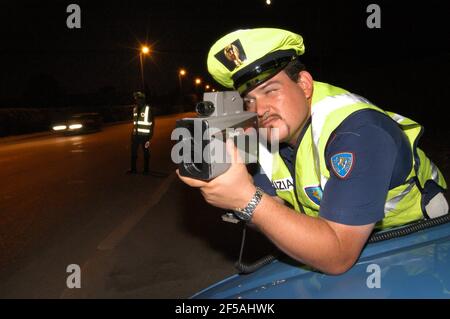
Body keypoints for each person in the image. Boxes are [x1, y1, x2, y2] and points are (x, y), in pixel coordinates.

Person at [177, 28, 449, 275]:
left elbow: (338, 256)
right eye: (250, 100)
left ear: (304, 85)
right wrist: (234, 185)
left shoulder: (358, 132)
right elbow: (274, 212)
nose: (259, 111)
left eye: (271, 91)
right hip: (347, 243)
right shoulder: (265, 136)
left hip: (424, 243)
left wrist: (245, 200)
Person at [127, 91, 154, 175]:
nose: (137, 101)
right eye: (136, 99)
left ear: (142, 99)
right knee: (133, 151)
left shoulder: (148, 108)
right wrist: (133, 133)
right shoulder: (134, 109)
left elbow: (152, 122)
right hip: (136, 136)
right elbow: (135, 123)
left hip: (145, 136)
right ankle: (133, 169)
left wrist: (151, 134)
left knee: (146, 151)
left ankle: (146, 170)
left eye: (138, 99)